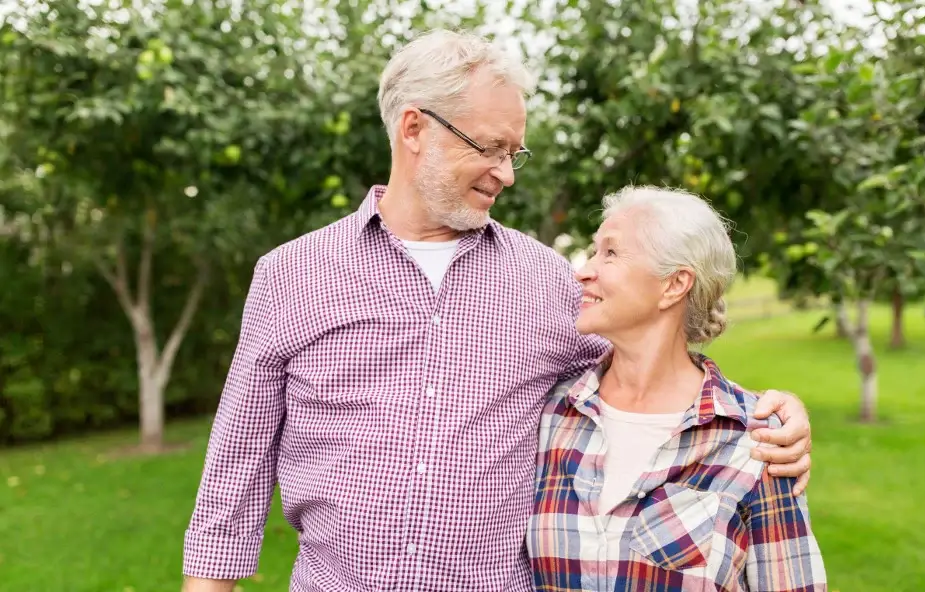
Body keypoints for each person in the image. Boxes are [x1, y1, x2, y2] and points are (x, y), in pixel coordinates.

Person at [181, 30, 814, 592]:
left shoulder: (544, 279)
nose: (506, 174)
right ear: (413, 129)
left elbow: (650, 365)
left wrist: (769, 411)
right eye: (490, 148)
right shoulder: (293, 273)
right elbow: (236, 465)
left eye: (515, 153)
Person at [526, 185, 826, 591]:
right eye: (594, 251)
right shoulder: (553, 415)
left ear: (674, 284)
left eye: (610, 253)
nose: (583, 270)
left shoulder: (754, 442)